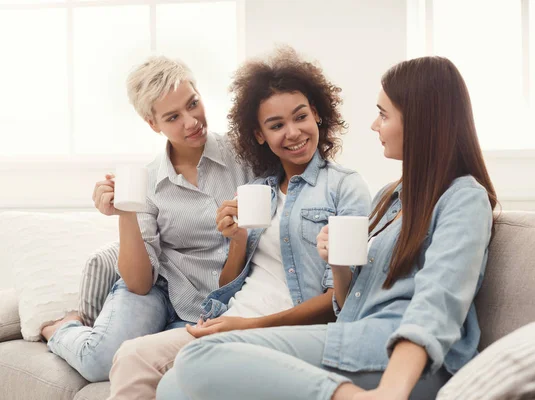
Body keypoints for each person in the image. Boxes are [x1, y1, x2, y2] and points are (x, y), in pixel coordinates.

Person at [157, 56, 498, 400]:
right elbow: (350, 300)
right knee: (173, 385)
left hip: (405, 359)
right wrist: (337, 263)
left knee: (199, 357)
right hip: (354, 336)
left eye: (383, 114)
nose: (373, 126)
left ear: (422, 121)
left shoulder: (463, 197)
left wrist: (392, 390)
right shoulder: (390, 198)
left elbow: (438, 303)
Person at [107, 47, 371, 400]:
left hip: (271, 329)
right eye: (276, 125)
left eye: (300, 117)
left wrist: (247, 326)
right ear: (260, 135)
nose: (292, 133)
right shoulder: (258, 188)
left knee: (175, 382)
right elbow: (229, 282)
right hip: (231, 317)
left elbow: (340, 299)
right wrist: (237, 240)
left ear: (318, 115)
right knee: (132, 356)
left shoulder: (343, 186)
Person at [40, 56, 252, 382]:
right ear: (153, 124)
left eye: (193, 104)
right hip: (158, 291)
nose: (191, 121)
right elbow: (139, 283)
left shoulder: (244, 156)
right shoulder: (150, 182)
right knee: (100, 363)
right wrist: (126, 212)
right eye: (173, 117)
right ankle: (62, 328)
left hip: (213, 301)